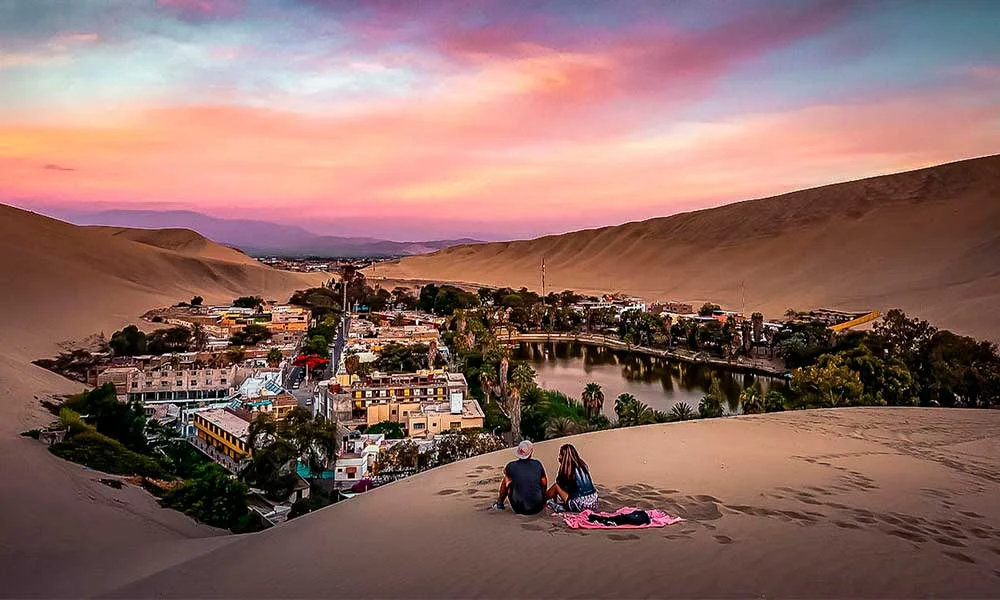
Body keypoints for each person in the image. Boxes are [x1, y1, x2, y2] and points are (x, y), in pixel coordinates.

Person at [494, 440, 547, 515]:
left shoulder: (511, 466)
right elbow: (544, 483)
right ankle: (540, 500)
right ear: (531, 452)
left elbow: (505, 472)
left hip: (519, 508)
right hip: (538, 507)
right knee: (541, 480)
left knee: (507, 478)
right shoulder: (537, 464)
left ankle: (499, 503)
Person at [545, 443, 598, 513]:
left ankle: (542, 499)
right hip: (594, 502)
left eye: (560, 455)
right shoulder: (583, 466)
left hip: (580, 504)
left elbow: (558, 486)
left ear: (563, 457)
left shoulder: (566, 470)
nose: (559, 457)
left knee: (555, 487)